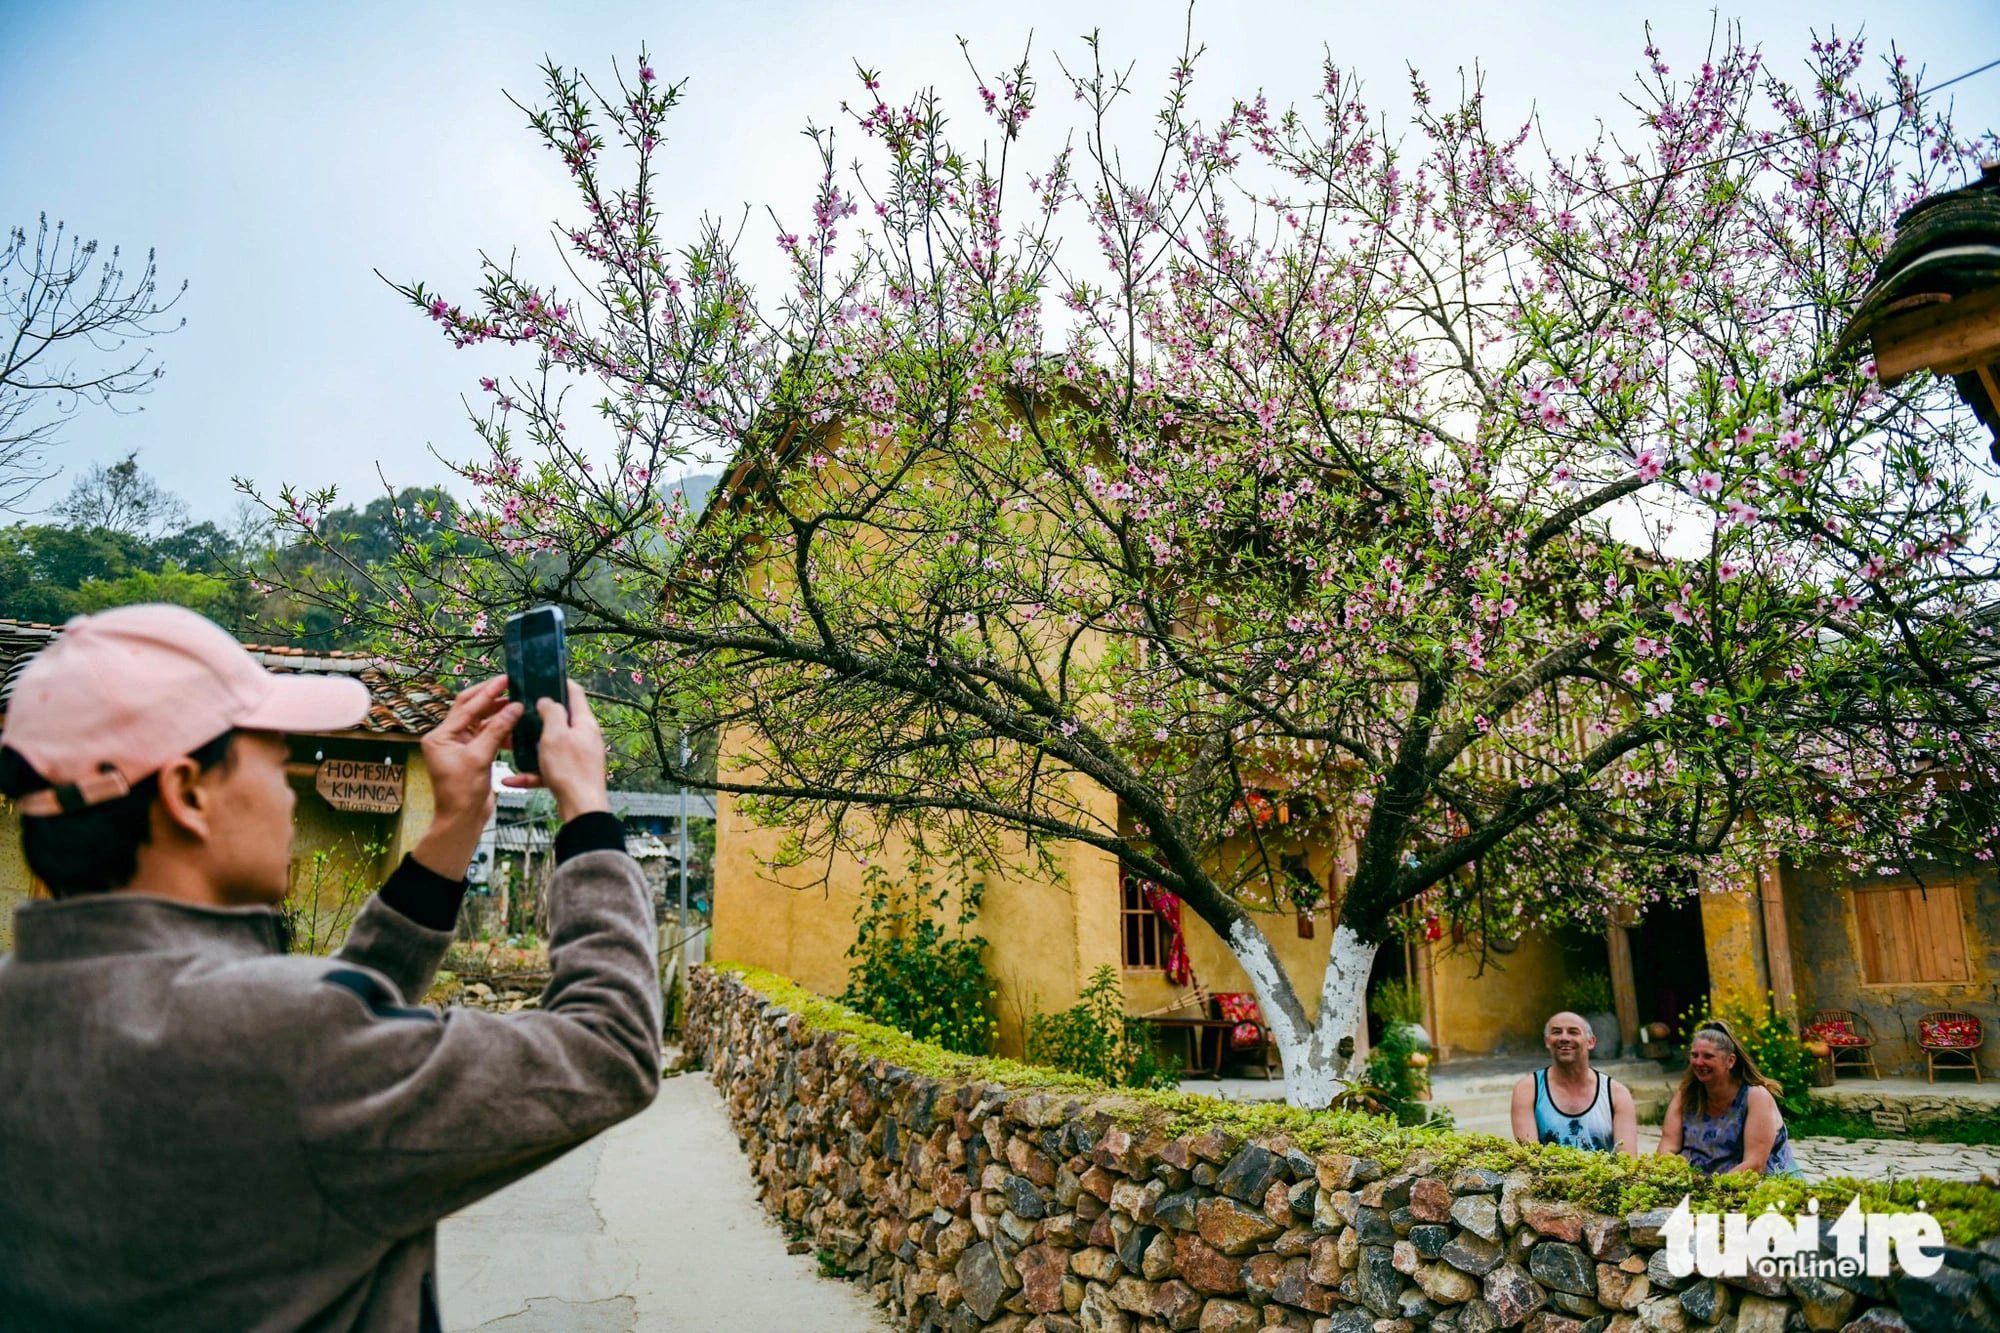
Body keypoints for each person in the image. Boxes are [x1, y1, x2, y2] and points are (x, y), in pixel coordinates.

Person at [0, 604, 660, 1330]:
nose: (287, 793)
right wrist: (588, 811)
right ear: (188, 793)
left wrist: (448, 833)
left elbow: (324, 1023)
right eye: (276, 760)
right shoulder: (288, 1041)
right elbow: (609, 1048)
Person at [1657, 1020, 1797, 1176]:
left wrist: (1712, 1191)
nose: (1698, 1062)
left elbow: (1755, 1164)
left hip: (1759, 1185)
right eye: (1694, 1055)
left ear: (1730, 1061)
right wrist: (1671, 1172)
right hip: (1701, 1184)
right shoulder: (1686, 1094)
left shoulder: (1756, 1096)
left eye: (1708, 1056)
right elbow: (1668, 1145)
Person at [1511, 1010, 1640, 1153]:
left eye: (1573, 1032)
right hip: (1545, 1175)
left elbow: (1627, 1160)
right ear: (1547, 1042)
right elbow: (1529, 1158)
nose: (1564, 1038)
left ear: (1591, 1042)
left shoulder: (1616, 1094)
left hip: (1603, 1175)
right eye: (1556, 1032)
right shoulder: (1528, 1090)